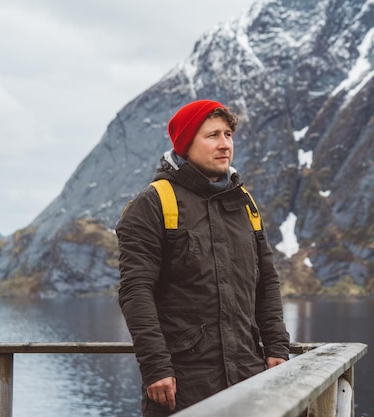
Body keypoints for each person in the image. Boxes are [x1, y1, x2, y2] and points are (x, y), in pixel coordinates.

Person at [116, 99, 290, 416]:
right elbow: (135, 291)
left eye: (228, 135)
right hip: (183, 386)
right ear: (186, 144)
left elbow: (267, 281)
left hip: (248, 378)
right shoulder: (153, 204)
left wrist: (277, 347)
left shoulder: (244, 204)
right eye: (212, 136)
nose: (225, 145)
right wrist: (156, 367)